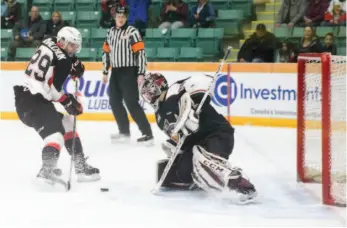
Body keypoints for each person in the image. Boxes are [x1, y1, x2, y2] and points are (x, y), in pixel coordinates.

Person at [140, 73, 257, 203]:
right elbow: (181, 138)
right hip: (199, 142)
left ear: (157, 87)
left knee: (199, 158)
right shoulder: (159, 116)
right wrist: (175, 142)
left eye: (149, 91)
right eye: (145, 94)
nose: (148, 96)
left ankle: (238, 182)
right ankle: (201, 180)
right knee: (182, 173)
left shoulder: (175, 91)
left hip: (218, 134)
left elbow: (204, 81)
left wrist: (195, 106)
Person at [13, 27, 101, 186]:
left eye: (76, 46)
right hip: (33, 100)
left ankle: (80, 167)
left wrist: (74, 61)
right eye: (72, 45)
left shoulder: (50, 40)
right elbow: (53, 91)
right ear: (63, 42)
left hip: (27, 98)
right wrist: (68, 101)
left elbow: (57, 56)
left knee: (67, 122)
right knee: (55, 136)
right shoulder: (64, 61)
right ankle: (46, 172)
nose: (75, 49)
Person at [102, 6, 153, 145]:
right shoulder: (110, 32)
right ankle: (124, 132)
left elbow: (140, 53)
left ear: (126, 17)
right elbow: (106, 53)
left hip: (129, 71)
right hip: (116, 72)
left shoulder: (132, 32)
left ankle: (147, 133)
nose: (120, 18)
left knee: (131, 102)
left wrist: (141, 72)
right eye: (118, 16)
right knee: (114, 101)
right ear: (115, 17)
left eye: (123, 16)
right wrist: (105, 71)